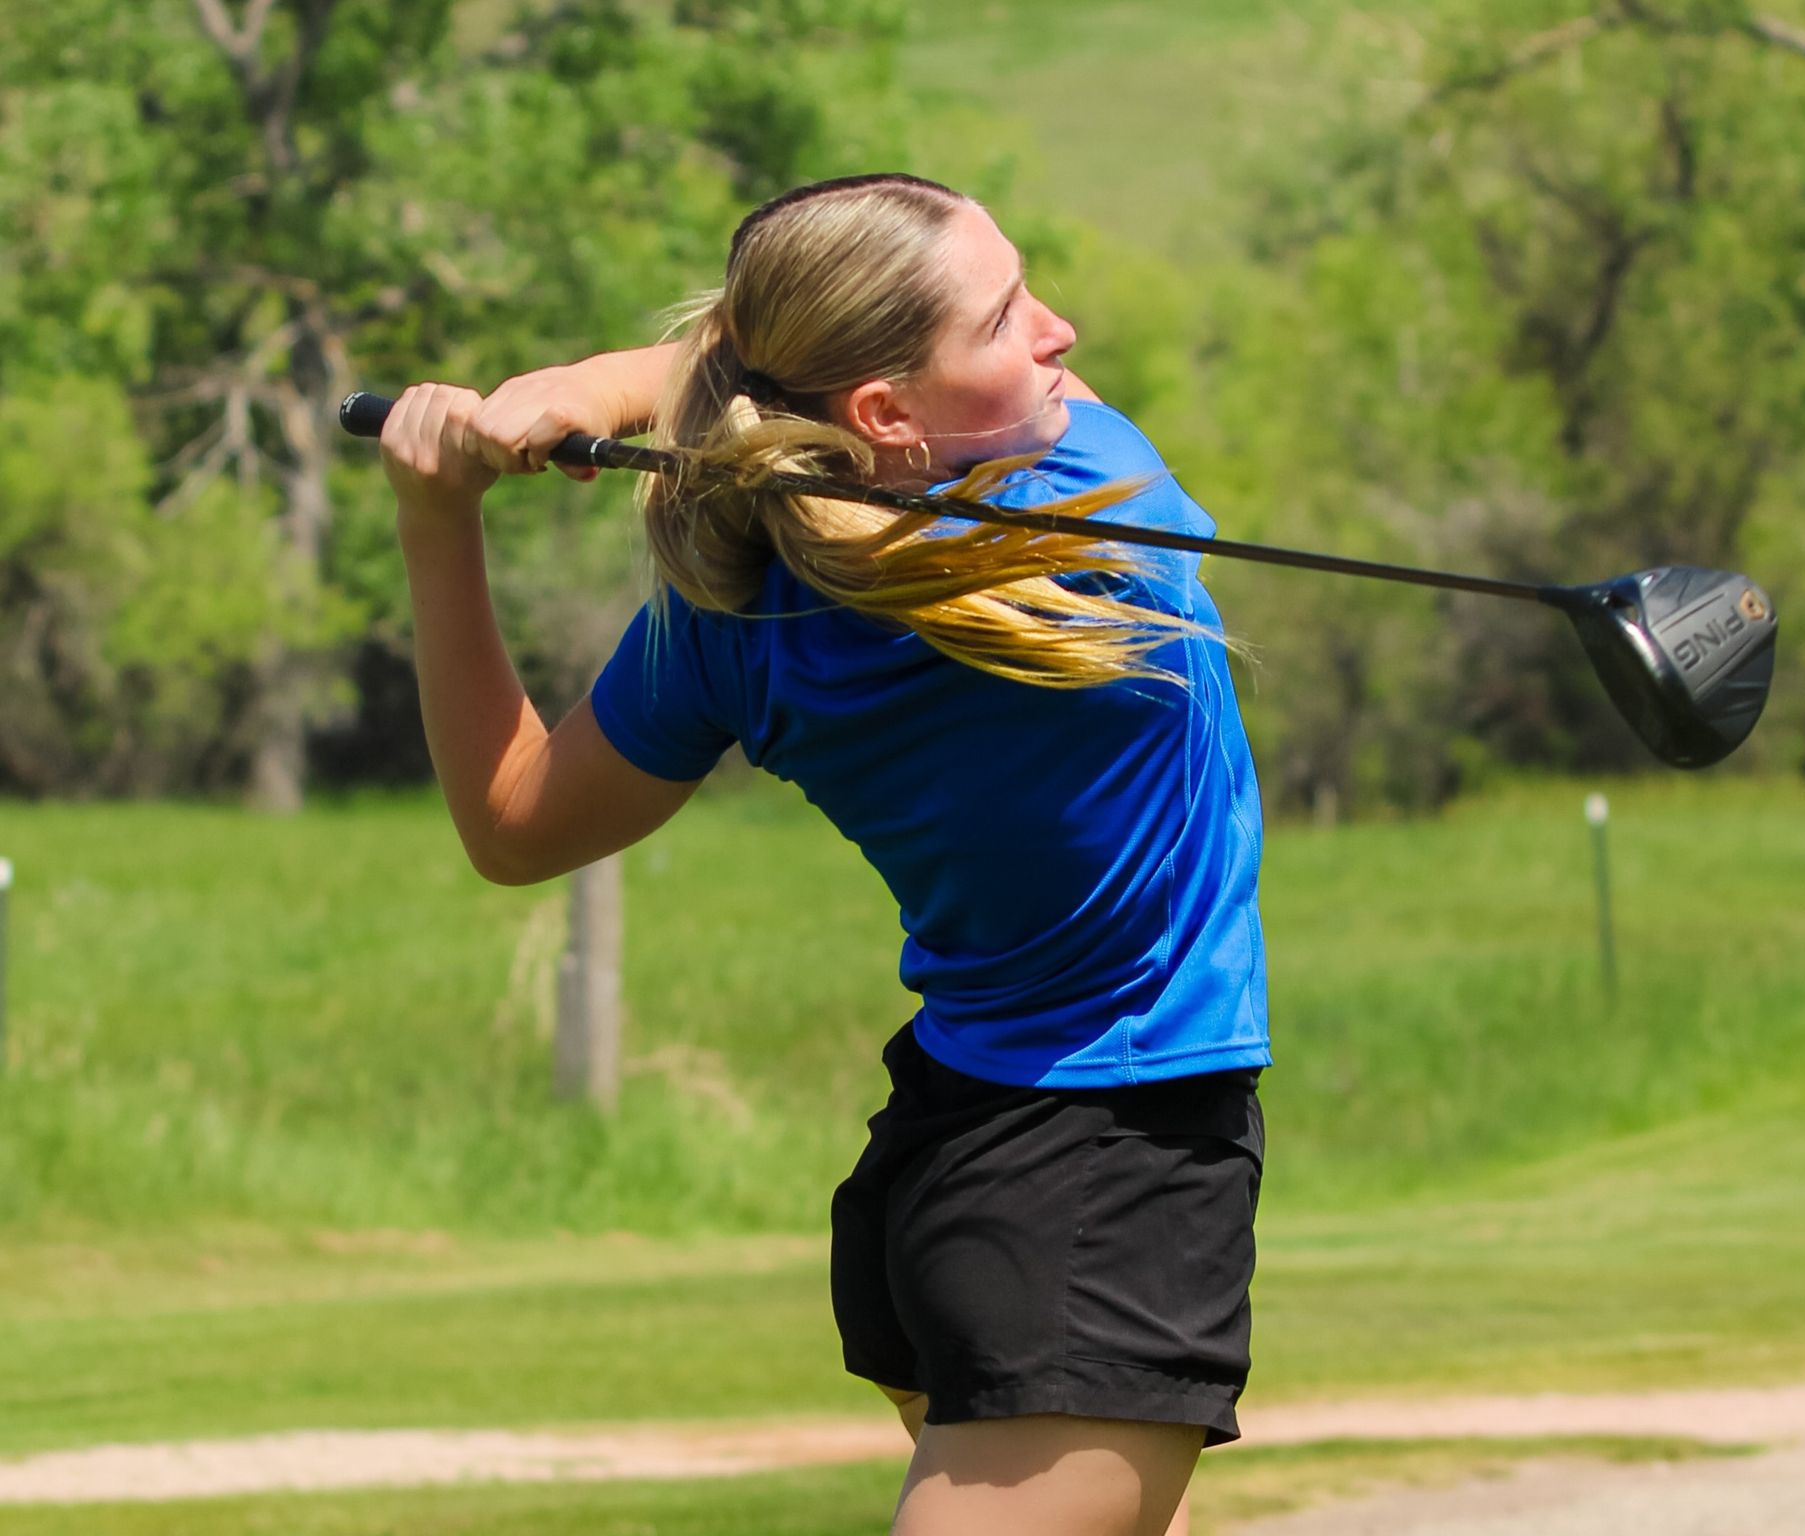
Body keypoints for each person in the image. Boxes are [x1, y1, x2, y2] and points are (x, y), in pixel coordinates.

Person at [378, 172, 1269, 1536]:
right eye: (1010, 313)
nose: (1062, 332)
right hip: (1109, 1176)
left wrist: (446, 513)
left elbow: (513, 822)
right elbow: (734, 375)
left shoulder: (739, 617)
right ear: (885, 415)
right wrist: (607, 386)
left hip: (943, 1164)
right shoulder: (1090, 502)